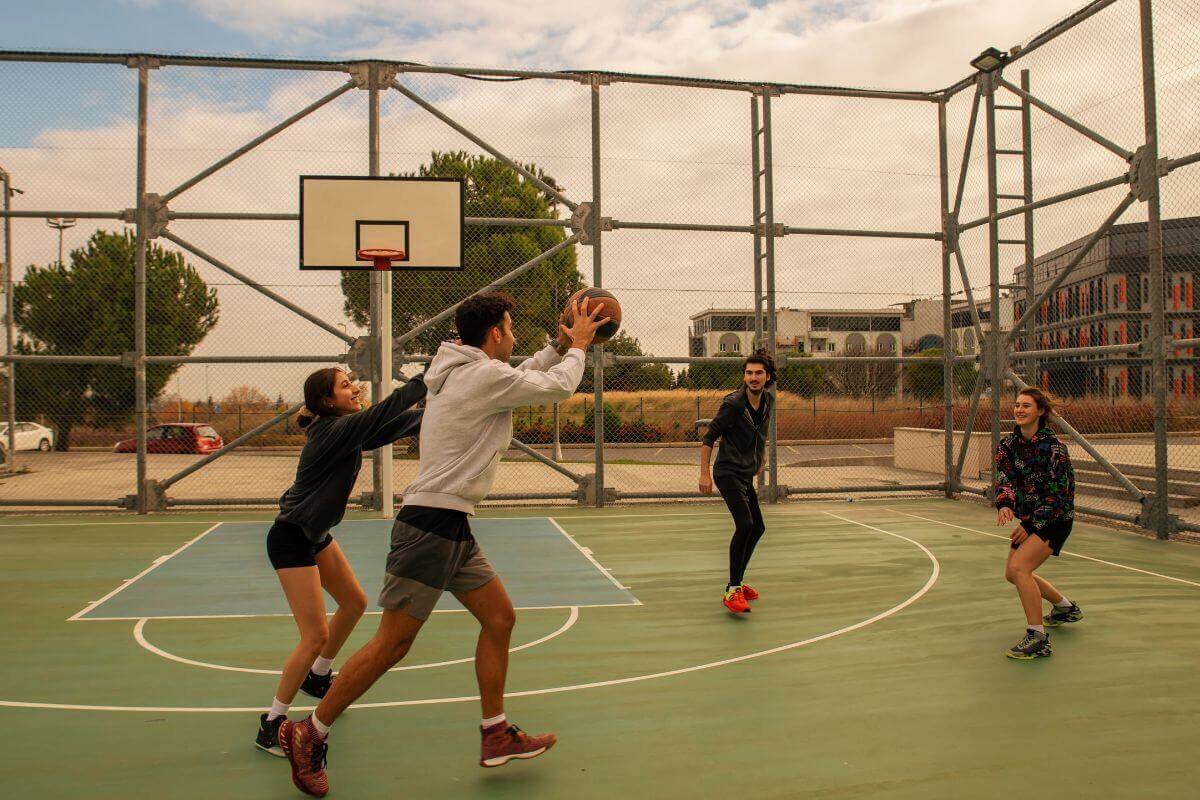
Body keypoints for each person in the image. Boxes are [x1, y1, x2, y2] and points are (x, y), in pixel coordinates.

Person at [278, 292, 610, 797]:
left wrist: (557, 344)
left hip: (451, 524)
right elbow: (555, 387)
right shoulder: (480, 376)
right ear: (495, 333)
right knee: (393, 643)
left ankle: (495, 733)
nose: (514, 336)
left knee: (500, 617)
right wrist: (579, 347)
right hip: (430, 526)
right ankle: (310, 731)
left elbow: (525, 373)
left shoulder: (470, 370)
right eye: (510, 327)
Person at [255, 368, 426, 756]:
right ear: (328, 401)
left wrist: (446, 410)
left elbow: (396, 425)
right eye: (345, 385)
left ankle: (318, 678)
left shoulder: (346, 429)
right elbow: (385, 413)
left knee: (354, 603)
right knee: (313, 636)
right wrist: (426, 379)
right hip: (291, 538)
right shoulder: (332, 431)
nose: (354, 388)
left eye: (352, 382)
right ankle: (271, 723)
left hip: (314, 536)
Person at [995, 387, 1081, 661]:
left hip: (1055, 519)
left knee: (1020, 568)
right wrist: (1005, 503)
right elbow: (1005, 479)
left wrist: (1032, 525)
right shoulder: (1008, 446)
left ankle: (1038, 638)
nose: (1019, 410)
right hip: (1032, 520)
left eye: (1026, 406)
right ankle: (1065, 608)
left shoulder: (1055, 449)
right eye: (1017, 405)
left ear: (1040, 412)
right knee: (1013, 573)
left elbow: (1060, 495)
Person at [699, 350, 774, 615]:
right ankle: (732, 590)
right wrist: (704, 474)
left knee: (758, 527)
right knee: (745, 524)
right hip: (727, 472)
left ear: (767, 376)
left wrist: (760, 458)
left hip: (744, 473)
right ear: (744, 376)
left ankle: (738, 582)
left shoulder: (767, 401)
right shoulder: (733, 404)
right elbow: (709, 438)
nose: (753, 378)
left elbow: (760, 434)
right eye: (749, 373)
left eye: (758, 373)